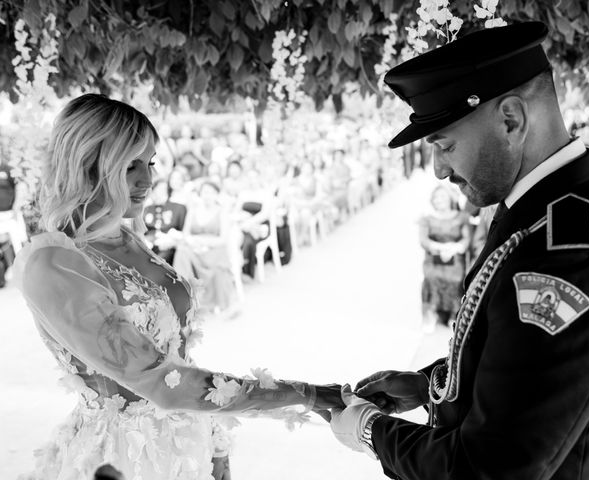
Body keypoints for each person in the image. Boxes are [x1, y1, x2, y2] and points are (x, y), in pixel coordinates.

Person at [329, 22, 589, 480]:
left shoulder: (568, 257)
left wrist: (371, 430)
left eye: (446, 145)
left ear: (511, 120)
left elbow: (490, 467)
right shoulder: (548, 204)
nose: (438, 170)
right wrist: (431, 385)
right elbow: (524, 364)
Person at [13, 94, 343, 480]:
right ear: (85, 165)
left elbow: (178, 359)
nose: (148, 180)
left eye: (150, 163)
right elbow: (162, 382)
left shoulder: (124, 236)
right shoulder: (55, 264)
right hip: (125, 456)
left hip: (187, 440)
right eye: (130, 165)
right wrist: (307, 393)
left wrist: (213, 441)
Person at [173, 180, 240, 317]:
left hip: (214, 249)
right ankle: (183, 300)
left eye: (211, 192)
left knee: (218, 264)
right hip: (194, 248)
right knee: (181, 252)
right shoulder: (193, 211)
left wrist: (203, 242)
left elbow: (223, 239)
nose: (207, 195)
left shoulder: (222, 212)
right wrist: (194, 243)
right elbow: (186, 234)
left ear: (216, 195)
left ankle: (218, 302)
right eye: (204, 192)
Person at [418, 185, 469, 330]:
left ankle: (454, 315)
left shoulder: (461, 217)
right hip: (434, 259)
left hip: (455, 258)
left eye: (442, 197)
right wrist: (439, 248)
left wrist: (454, 248)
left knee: (456, 279)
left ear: (450, 199)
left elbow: (466, 239)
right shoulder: (426, 218)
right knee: (431, 278)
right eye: (436, 198)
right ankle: (431, 315)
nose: (439, 200)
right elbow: (423, 240)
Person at [143, 179, 187, 266]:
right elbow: (141, 231)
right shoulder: (147, 209)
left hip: (169, 246)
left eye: (164, 189)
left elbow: (184, 233)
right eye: (158, 189)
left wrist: (172, 240)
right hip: (149, 245)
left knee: (158, 262)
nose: (160, 192)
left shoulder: (179, 208)